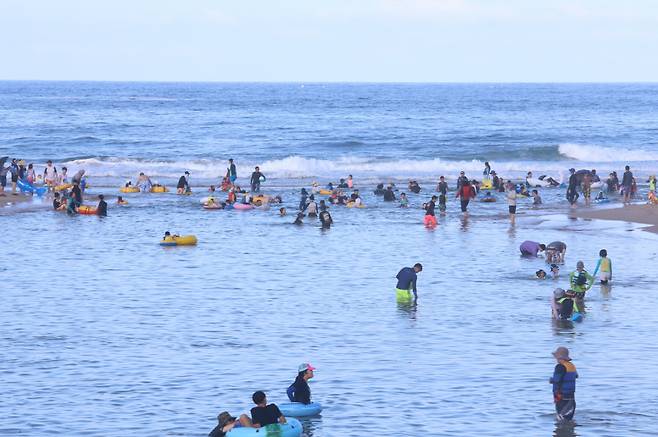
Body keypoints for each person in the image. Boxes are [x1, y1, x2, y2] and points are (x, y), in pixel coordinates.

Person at [549, 347, 578, 422]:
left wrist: (551, 380)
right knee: (568, 418)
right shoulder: (572, 366)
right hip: (571, 396)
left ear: (560, 358)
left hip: (561, 396)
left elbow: (557, 380)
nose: (556, 360)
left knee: (561, 419)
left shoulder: (559, 367)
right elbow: (576, 376)